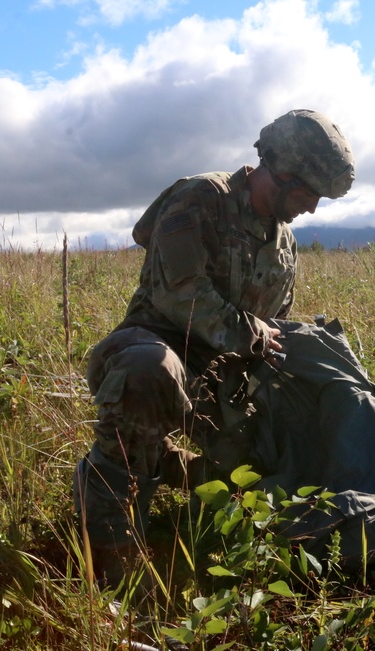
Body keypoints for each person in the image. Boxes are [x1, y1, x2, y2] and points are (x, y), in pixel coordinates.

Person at [73, 109, 355, 587]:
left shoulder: (284, 244)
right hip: (155, 344)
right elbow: (179, 295)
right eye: (309, 194)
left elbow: (274, 325)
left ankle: (165, 466)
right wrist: (251, 334)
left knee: (263, 462)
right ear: (282, 171)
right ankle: (110, 548)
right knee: (151, 371)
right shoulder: (199, 199)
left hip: (225, 374)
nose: (311, 208)